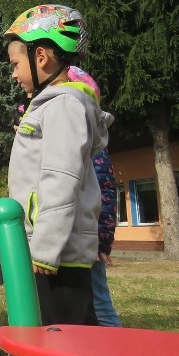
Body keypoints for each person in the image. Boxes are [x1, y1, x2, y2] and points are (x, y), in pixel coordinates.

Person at [4, 4, 113, 356]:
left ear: (43, 56)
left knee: (69, 354)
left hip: (59, 255)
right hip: (52, 250)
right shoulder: (49, 104)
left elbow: (61, 178)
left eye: (16, 63)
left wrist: (45, 248)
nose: (14, 73)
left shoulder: (64, 105)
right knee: (58, 348)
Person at [66, 66, 122, 327]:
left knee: (99, 300)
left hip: (90, 238)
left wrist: (102, 242)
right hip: (75, 237)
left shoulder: (93, 145)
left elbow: (106, 194)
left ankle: (115, 350)